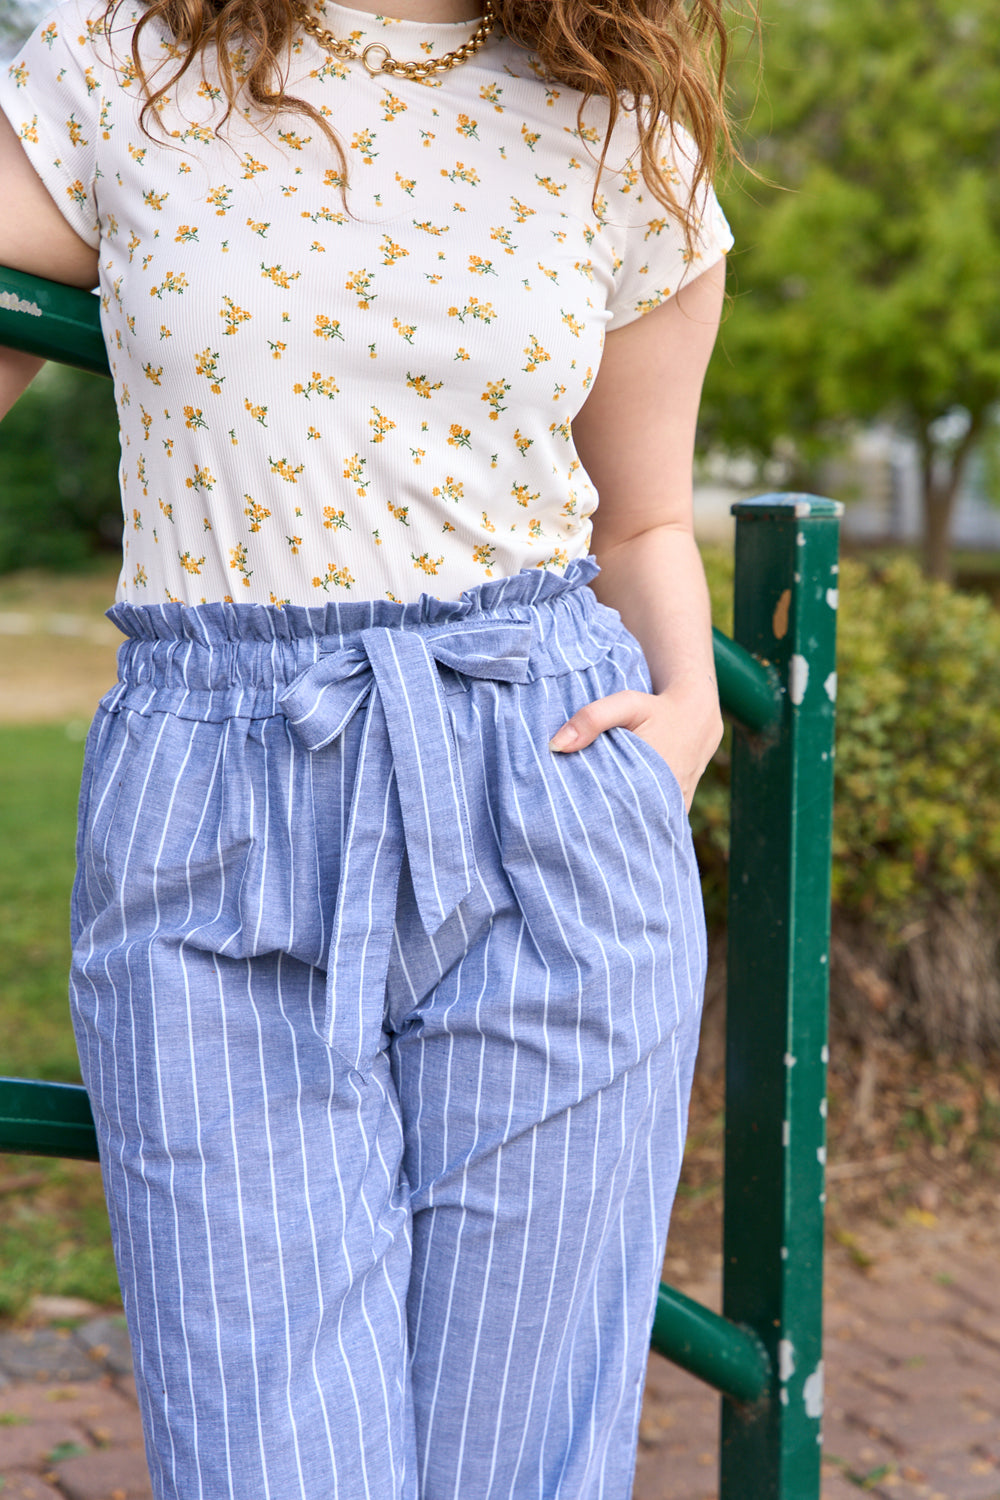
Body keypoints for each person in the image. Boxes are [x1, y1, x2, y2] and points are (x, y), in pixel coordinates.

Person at [0, 0, 734, 1492]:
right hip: (213, 804)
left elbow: (644, 513)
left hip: (553, 794)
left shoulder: (614, 109)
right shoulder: (120, 58)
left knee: (521, 1463)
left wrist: (689, 716)